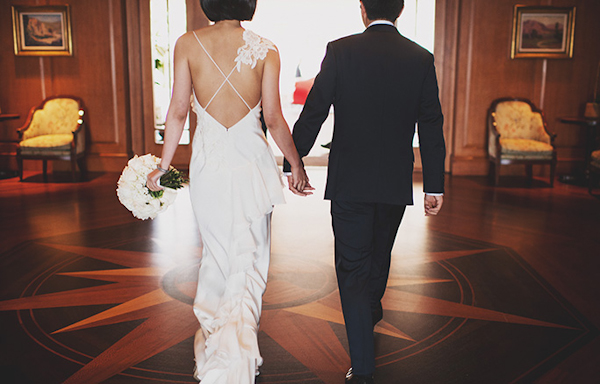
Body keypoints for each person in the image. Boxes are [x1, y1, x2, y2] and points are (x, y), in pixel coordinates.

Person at [147, 0, 313, 382]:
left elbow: (176, 112)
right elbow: (272, 117)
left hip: (208, 165)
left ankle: (217, 347)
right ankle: (236, 354)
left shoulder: (187, 43)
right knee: (250, 258)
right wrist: (296, 164)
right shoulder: (267, 48)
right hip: (252, 162)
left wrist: (163, 164)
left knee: (216, 254)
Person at [284, 0, 446, 383]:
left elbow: (315, 110)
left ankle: (363, 364)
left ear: (362, 9)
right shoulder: (420, 58)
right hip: (394, 182)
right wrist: (434, 184)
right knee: (379, 254)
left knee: (353, 267)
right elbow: (432, 124)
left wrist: (295, 159)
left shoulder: (341, 50)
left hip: (349, 181)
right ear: (401, 10)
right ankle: (368, 314)